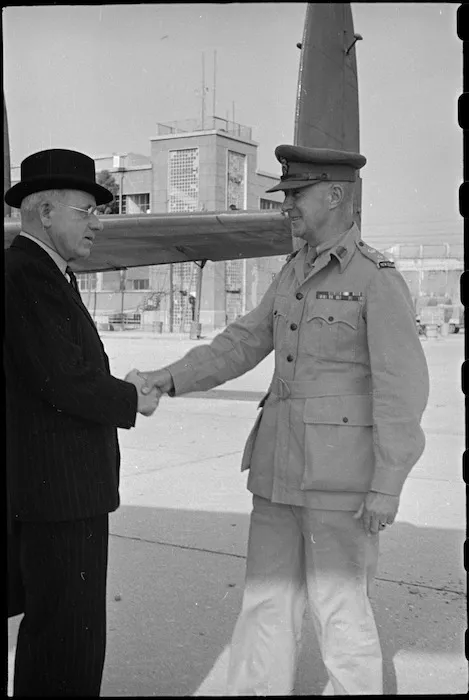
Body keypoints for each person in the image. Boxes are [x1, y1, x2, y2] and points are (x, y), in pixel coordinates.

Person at [136, 145, 429, 695]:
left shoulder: (375, 278)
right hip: (277, 477)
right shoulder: (293, 271)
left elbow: (402, 391)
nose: (286, 205)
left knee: (341, 615)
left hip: (339, 486)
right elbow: (244, 341)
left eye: (297, 194)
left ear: (336, 195)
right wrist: (168, 377)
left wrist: (388, 485)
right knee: (264, 609)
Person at [5, 148, 160, 696]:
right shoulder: (27, 275)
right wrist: (132, 398)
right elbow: (63, 379)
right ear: (44, 213)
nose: (97, 221)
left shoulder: (47, 273)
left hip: (57, 493)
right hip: (61, 498)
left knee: (60, 632)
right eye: (85, 210)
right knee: (67, 637)